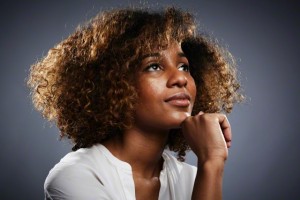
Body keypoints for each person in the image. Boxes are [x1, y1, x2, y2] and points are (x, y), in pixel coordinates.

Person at [27, 6, 243, 200]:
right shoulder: (76, 176)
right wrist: (211, 162)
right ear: (115, 84)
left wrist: (210, 164)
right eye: (154, 66)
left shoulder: (194, 179)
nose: (180, 78)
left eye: (184, 66)